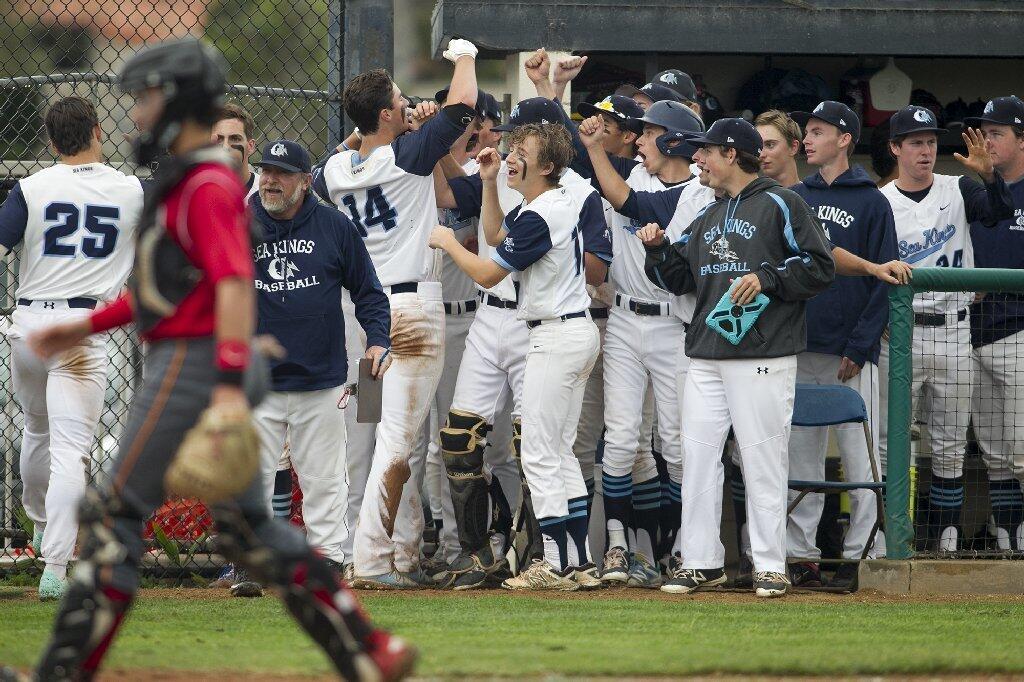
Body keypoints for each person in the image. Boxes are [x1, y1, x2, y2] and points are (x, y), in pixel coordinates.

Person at [24, 38, 414, 681]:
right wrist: (81, 328)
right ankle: (368, 650)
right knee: (249, 530)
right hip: (193, 358)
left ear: (179, 101)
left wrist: (230, 381)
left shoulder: (204, 182)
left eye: (149, 97)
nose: (140, 113)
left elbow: (233, 281)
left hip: (191, 367)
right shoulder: (190, 178)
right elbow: (170, 290)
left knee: (114, 516)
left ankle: (61, 672)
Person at [639, 117, 836, 598]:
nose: (697, 160)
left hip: (763, 353)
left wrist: (768, 277)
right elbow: (679, 279)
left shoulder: (781, 202)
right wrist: (660, 250)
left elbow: (820, 264)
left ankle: (771, 564)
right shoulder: (707, 212)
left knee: (762, 458)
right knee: (698, 459)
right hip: (706, 352)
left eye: (704, 152)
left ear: (731, 154)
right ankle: (702, 561)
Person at [312, 39, 480, 588]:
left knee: (375, 432)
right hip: (408, 312)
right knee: (396, 438)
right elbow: (462, 108)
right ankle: (372, 561)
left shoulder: (337, 167)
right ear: (384, 113)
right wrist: (464, 56)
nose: (408, 105)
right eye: (400, 101)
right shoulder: (406, 154)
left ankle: (402, 555)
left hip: (360, 312)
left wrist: (376, 127)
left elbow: (337, 162)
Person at [432, 93, 611, 589]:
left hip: (554, 334)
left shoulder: (547, 209)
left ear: (547, 164)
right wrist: (490, 181)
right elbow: (495, 234)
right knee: (556, 451)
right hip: (564, 331)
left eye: (521, 153)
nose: (510, 156)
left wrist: (448, 243)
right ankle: (576, 563)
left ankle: (554, 562)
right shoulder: (542, 204)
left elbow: (488, 272)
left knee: (537, 451)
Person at [0, 96, 142, 601]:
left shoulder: (32, 188)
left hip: (31, 324)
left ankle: (40, 525)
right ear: (98, 131)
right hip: (84, 327)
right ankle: (56, 565)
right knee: (70, 449)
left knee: (35, 428)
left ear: (51, 140)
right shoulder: (129, 190)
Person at [577, 102, 714, 587]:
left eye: (650, 133)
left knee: (676, 445)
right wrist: (553, 90)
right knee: (619, 438)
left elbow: (631, 204)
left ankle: (674, 548)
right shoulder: (633, 170)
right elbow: (578, 159)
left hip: (674, 326)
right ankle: (617, 545)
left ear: (675, 141)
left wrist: (595, 151)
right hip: (624, 318)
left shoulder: (699, 192)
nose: (638, 140)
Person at [250, 139, 391, 584]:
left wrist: (378, 341)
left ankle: (327, 559)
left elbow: (368, 291)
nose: (269, 180)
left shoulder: (334, 226)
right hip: (256, 379)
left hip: (320, 375)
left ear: (305, 181)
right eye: (265, 171)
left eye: (281, 173)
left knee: (325, 477)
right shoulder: (239, 223)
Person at [878, 105, 1013, 553]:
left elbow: (995, 212)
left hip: (954, 330)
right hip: (901, 333)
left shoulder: (959, 187)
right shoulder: (882, 201)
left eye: (932, 141)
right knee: (889, 443)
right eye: (915, 142)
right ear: (895, 147)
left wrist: (989, 177)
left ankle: (945, 540)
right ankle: (889, 539)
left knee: (951, 446)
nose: (926, 150)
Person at [786, 101, 898, 589]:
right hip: (799, 343)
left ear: (845, 138)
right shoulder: (793, 195)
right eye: (807, 131)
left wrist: (862, 344)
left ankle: (864, 555)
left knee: (861, 456)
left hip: (851, 353)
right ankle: (800, 556)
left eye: (817, 131)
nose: (807, 140)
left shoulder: (873, 200)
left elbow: (885, 277)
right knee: (800, 457)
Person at [965, 95, 1024, 551]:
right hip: (972, 331)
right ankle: (1006, 531)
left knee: (1022, 448)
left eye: (997, 133)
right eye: (985, 131)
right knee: (994, 452)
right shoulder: (971, 192)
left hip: (1020, 331)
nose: (987, 140)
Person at [212, 101, 260, 196]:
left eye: (235, 139)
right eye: (219, 139)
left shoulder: (264, 193)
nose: (225, 147)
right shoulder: (196, 191)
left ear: (250, 146)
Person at [755, 109, 801, 189]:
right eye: (758, 147)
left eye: (770, 145)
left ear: (793, 147)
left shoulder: (814, 198)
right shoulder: (751, 199)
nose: (761, 154)